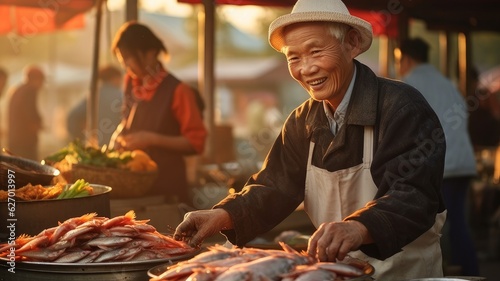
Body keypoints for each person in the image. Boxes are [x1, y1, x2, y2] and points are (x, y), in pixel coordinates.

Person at [174, 0, 447, 279]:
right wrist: (221, 215)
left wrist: (357, 228)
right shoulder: (301, 120)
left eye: (316, 51)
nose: (306, 69)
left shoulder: (401, 107)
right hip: (334, 272)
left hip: (402, 271)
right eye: (294, 57)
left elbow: (413, 195)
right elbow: (274, 187)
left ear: (351, 43)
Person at [399, 37, 480, 276]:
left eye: (399, 61)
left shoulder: (408, 84)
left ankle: (442, 274)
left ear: (407, 59)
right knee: (458, 225)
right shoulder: (448, 84)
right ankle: (470, 272)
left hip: (440, 166)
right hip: (463, 163)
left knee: (433, 230)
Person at [109, 21, 208, 206]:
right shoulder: (131, 81)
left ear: (151, 54)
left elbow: (196, 143)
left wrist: (152, 139)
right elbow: (127, 118)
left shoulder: (179, 91)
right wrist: (119, 134)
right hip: (135, 185)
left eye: (129, 60)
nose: (127, 67)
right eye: (123, 62)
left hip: (167, 189)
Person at [67, 64, 124, 146]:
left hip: (94, 145)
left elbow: (73, 117)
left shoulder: (94, 95)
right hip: (115, 145)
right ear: (115, 78)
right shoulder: (121, 96)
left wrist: (79, 138)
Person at [7, 65, 45, 160]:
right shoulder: (29, 91)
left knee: (15, 168)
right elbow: (30, 113)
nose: (42, 84)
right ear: (36, 79)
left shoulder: (19, 90)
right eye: (41, 80)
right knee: (28, 170)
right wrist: (37, 124)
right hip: (25, 141)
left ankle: (11, 176)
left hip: (15, 139)